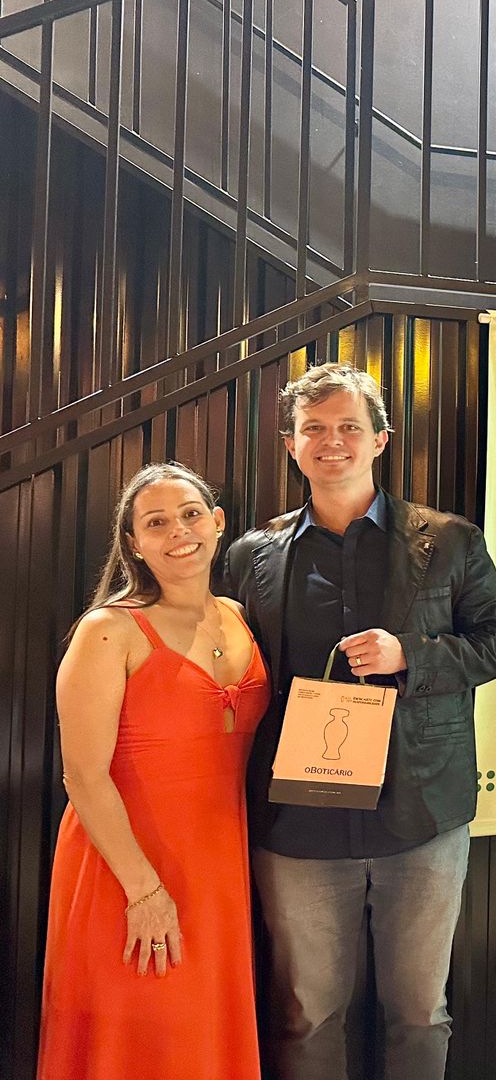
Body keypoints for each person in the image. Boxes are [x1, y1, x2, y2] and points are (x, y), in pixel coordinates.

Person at [224, 363, 496, 1080]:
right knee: (306, 1015)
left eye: (349, 427)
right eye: (314, 429)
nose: (333, 442)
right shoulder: (251, 557)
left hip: (422, 813)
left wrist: (410, 655)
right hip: (297, 821)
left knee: (420, 1014)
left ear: (380, 440)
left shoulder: (450, 541)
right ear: (291, 445)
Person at [37, 462, 269, 1080]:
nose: (178, 532)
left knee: (200, 1036)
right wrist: (143, 891)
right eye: (157, 523)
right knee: (133, 1038)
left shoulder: (239, 614)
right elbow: (83, 776)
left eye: (190, 515)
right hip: (125, 866)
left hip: (218, 866)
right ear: (134, 544)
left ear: (217, 523)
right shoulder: (109, 630)